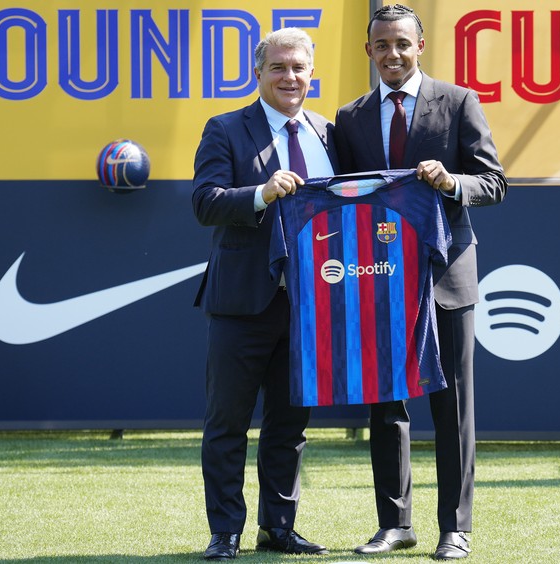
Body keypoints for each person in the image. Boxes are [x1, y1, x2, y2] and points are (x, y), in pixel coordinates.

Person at [333, 4, 508, 560]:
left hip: (446, 272)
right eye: (381, 45)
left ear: (420, 46)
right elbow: (341, 197)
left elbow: (494, 182)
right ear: (368, 51)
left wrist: (451, 181)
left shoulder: (458, 102)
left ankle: (454, 528)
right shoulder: (350, 117)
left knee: (452, 405)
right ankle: (395, 524)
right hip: (379, 274)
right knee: (387, 404)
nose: (392, 54)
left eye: (402, 44)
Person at [191, 27, 337, 560]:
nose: (289, 77)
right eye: (278, 67)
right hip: (241, 303)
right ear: (258, 73)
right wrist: (261, 192)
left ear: (311, 73)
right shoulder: (226, 128)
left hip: (309, 304)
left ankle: (279, 527)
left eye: (299, 68)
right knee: (227, 422)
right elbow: (205, 203)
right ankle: (224, 531)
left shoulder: (327, 132)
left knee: (289, 425)